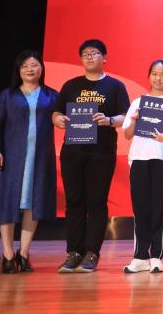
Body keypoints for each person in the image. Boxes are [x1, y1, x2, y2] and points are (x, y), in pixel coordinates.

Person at [52, 39, 130, 273]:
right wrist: (59, 120)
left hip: (101, 153)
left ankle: (91, 253)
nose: (89, 57)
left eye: (94, 53)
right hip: (73, 152)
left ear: (104, 58)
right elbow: (56, 113)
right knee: (74, 201)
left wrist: (108, 120)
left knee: (96, 202)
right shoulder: (71, 85)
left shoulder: (115, 86)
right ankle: (73, 252)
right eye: (85, 54)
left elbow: (124, 117)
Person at [0, 50, 58, 273]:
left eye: (34, 65)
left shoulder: (52, 95)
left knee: (32, 204)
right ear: (18, 70)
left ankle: (23, 254)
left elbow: (63, 118)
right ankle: (7, 255)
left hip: (39, 158)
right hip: (11, 157)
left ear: (41, 68)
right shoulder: (7, 96)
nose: (30, 69)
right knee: (7, 202)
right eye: (25, 66)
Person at [121, 60, 163, 273]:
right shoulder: (138, 102)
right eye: (155, 74)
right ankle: (140, 256)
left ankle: (157, 256)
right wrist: (135, 121)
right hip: (139, 158)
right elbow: (127, 134)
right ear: (149, 76)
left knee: (160, 208)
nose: (158, 78)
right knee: (140, 208)